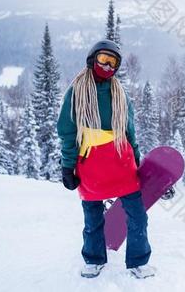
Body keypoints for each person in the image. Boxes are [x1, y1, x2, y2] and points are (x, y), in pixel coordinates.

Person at [57, 39, 157, 279]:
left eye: (113, 63)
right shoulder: (76, 92)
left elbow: (129, 130)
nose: (108, 66)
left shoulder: (119, 93)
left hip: (121, 162)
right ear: (92, 59)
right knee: (92, 215)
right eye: (103, 59)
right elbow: (68, 131)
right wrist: (67, 165)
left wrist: (137, 159)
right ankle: (93, 259)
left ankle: (138, 261)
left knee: (137, 214)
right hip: (90, 163)